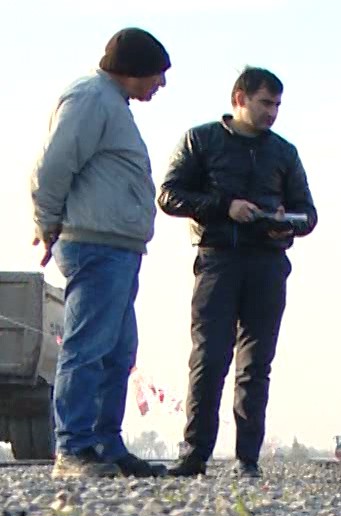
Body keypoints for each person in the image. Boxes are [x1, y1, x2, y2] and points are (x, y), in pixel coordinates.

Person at [158, 66, 318, 478]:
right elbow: (169, 194)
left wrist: (288, 221)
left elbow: (310, 214)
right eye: (266, 103)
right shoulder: (201, 140)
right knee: (209, 358)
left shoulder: (285, 153)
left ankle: (248, 458)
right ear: (239, 99)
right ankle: (195, 454)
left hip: (267, 262)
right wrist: (224, 205)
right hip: (217, 259)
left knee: (256, 363)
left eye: (278, 105)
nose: (273, 113)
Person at [27, 28, 172, 479]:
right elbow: (52, 166)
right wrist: (47, 221)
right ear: (131, 69)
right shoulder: (91, 98)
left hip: (118, 247)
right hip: (95, 244)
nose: (160, 85)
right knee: (87, 346)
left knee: (118, 349)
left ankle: (106, 444)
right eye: (156, 75)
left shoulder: (111, 103)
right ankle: (73, 447)